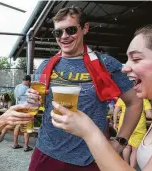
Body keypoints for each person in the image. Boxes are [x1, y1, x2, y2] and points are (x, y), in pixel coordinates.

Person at [51, 16, 152, 170]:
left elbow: (133, 103)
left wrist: (89, 131)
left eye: (136, 59)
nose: (124, 68)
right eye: (128, 59)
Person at [27, 6, 143, 171]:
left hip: (90, 158)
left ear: (85, 28)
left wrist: (121, 142)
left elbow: (135, 102)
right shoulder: (46, 66)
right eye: (58, 32)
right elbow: (40, 105)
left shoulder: (106, 64)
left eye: (71, 30)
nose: (64, 36)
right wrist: (33, 102)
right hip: (46, 152)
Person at [113, 98, 152, 168]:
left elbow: (116, 110)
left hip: (125, 125)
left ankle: (126, 166)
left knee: (126, 146)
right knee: (135, 150)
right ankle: (132, 168)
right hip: (138, 127)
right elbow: (149, 115)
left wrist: (115, 122)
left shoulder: (124, 97)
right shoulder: (144, 100)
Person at [12, 75, 33, 152]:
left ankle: (15, 143)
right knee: (27, 126)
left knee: (17, 125)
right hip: (26, 108)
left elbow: (15, 97)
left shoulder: (17, 87)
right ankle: (26, 146)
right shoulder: (28, 89)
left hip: (18, 107)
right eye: (30, 82)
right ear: (28, 81)